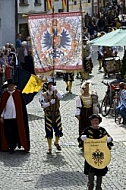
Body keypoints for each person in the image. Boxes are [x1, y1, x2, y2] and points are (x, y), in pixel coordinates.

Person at [81, 114, 114, 190]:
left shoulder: (102, 130)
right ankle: (90, 185)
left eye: (97, 120)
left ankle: (98, 187)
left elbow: (109, 137)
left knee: (100, 174)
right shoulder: (87, 130)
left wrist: (109, 139)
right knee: (91, 174)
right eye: (94, 120)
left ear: (99, 121)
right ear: (91, 121)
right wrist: (82, 138)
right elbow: (81, 140)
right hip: (90, 155)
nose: (95, 122)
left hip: (100, 156)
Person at [0, 78, 30, 153]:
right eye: (10, 86)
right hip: (7, 117)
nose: (11, 87)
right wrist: (1, 116)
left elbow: (21, 107)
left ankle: (17, 145)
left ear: (14, 86)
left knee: (16, 132)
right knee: (9, 132)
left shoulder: (18, 94)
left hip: (17, 117)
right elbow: (2, 107)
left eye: (12, 86)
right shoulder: (5, 95)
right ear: (7, 87)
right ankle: (11, 147)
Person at [39, 77, 63, 154]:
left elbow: (61, 97)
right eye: (49, 85)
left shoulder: (57, 92)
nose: (50, 86)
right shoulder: (43, 95)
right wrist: (49, 103)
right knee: (49, 130)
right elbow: (42, 105)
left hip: (56, 113)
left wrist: (56, 92)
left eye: (52, 85)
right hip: (48, 114)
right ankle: (49, 147)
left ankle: (56, 142)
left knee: (58, 129)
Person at [75, 81, 99, 148]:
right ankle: (83, 143)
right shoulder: (79, 97)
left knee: (91, 128)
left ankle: (91, 142)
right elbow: (78, 107)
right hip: (83, 115)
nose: (86, 89)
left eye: (87, 88)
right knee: (83, 129)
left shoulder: (92, 96)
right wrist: (78, 114)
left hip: (90, 114)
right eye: (85, 88)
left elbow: (95, 105)